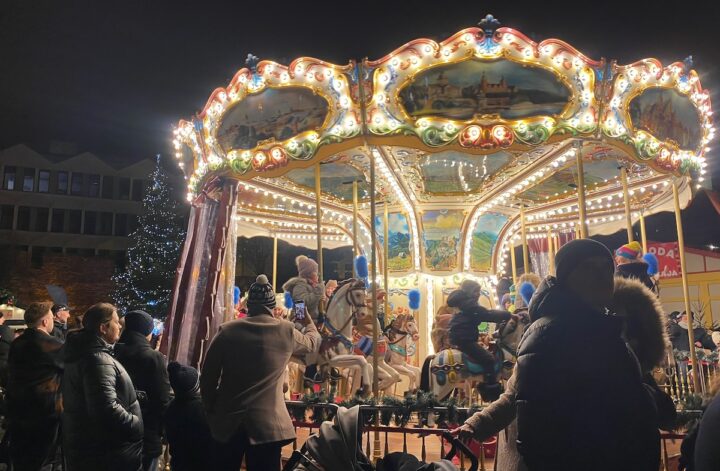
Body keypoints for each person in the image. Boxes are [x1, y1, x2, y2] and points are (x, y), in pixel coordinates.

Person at [513, 239, 660, 470]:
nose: (601, 277)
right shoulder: (551, 334)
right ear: (567, 278)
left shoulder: (604, 327)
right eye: (589, 268)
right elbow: (539, 427)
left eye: (606, 268)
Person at [201, 274, 321, 471]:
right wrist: (308, 322)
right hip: (268, 426)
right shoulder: (286, 330)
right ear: (272, 305)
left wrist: (213, 411)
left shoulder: (227, 331)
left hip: (228, 421)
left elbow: (207, 379)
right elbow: (312, 343)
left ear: (249, 304)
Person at [62, 303, 143, 471]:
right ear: (103, 328)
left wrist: (132, 396)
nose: (120, 325)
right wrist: (135, 425)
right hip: (104, 453)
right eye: (115, 321)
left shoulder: (86, 352)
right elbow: (105, 408)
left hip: (89, 447)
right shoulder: (97, 359)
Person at [6, 301, 64, 471]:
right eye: (52, 318)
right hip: (43, 410)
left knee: (21, 457)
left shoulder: (17, 343)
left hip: (17, 406)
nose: (53, 321)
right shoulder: (52, 344)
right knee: (40, 457)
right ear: (45, 321)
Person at [115, 310, 172, 471]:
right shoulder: (153, 357)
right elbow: (162, 398)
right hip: (146, 431)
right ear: (146, 331)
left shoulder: (114, 351)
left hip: (116, 428)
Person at [447, 279, 512, 402]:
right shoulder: (469, 305)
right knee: (488, 359)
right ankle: (491, 393)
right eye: (476, 291)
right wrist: (508, 315)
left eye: (479, 291)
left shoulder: (463, 302)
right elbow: (487, 314)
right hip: (464, 339)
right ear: (469, 291)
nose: (479, 294)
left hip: (460, 336)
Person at [164, 361, 213, 471]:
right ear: (196, 387)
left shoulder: (171, 407)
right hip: (199, 464)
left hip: (178, 462)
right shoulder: (202, 410)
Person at [282, 255, 328, 322]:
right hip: (303, 322)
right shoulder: (299, 285)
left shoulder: (313, 285)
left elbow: (316, 305)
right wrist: (318, 293)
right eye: (316, 272)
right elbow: (300, 304)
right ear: (309, 274)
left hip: (315, 321)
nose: (318, 275)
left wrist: (323, 300)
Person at [0, 312, 14, 386]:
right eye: (3, 317)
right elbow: (13, 343)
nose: (4, 319)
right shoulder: (5, 330)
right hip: (4, 363)